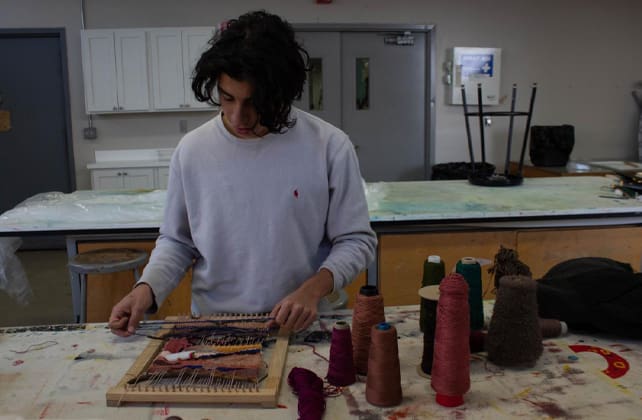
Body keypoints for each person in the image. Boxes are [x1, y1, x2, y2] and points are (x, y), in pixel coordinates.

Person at [108, 10, 377, 336]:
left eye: (256, 102)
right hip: (217, 329)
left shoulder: (329, 146)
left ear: (284, 92)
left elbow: (356, 240)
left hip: (305, 326)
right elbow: (178, 242)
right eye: (227, 98)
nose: (239, 117)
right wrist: (146, 289)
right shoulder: (193, 151)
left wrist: (313, 289)